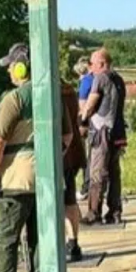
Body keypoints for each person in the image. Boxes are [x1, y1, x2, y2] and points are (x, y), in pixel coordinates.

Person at [0, 43, 71, 272]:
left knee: (6, 239)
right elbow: (67, 137)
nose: (9, 72)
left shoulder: (13, 99)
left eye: (11, 67)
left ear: (21, 68)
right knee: (42, 239)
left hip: (16, 181)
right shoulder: (54, 96)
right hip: (48, 180)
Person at [80, 49, 127, 226]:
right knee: (115, 173)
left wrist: (82, 119)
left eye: (92, 64)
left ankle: (94, 213)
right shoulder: (119, 79)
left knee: (97, 173)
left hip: (102, 133)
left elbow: (91, 104)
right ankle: (115, 212)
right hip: (118, 133)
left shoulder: (100, 78)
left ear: (101, 63)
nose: (90, 68)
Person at [61, 79, 87, 262]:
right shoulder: (68, 90)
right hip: (71, 154)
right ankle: (73, 243)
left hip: (59, 155)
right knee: (69, 201)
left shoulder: (49, 93)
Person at [74, 56, 93, 201]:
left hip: (86, 124)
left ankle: (86, 187)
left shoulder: (86, 82)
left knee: (86, 158)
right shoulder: (97, 79)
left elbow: (82, 106)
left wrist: (81, 124)